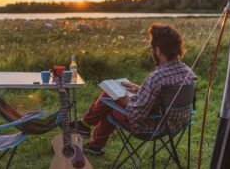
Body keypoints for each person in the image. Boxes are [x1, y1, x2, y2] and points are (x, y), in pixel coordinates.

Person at [73, 23, 197, 155]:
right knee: (110, 105)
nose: (151, 52)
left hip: (151, 127)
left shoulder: (156, 77)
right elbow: (166, 97)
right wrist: (140, 89)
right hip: (177, 125)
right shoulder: (188, 72)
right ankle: (91, 141)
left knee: (108, 98)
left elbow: (136, 115)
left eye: (151, 48)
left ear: (158, 50)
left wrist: (125, 101)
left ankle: (85, 127)